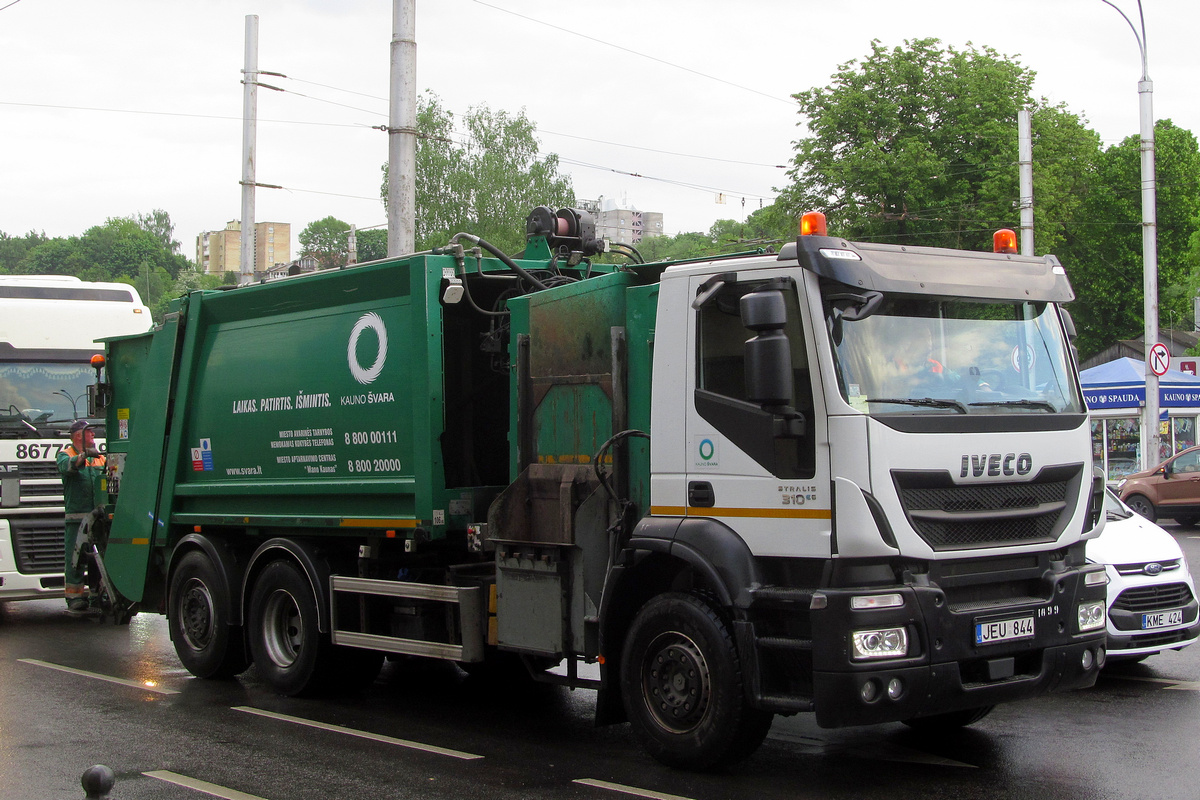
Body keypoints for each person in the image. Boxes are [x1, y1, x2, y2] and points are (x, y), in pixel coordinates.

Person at [56, 420, 105, 612]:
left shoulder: (99, 458)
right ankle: (74, 597)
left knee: (98, 557)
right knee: (75, 557)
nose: (93, 435)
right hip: (77, 518)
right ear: (79, 435)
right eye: (90, 432)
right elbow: (68, 467)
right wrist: (82, 457)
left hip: (98, 518)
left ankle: (96, 595)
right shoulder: (65, 454)